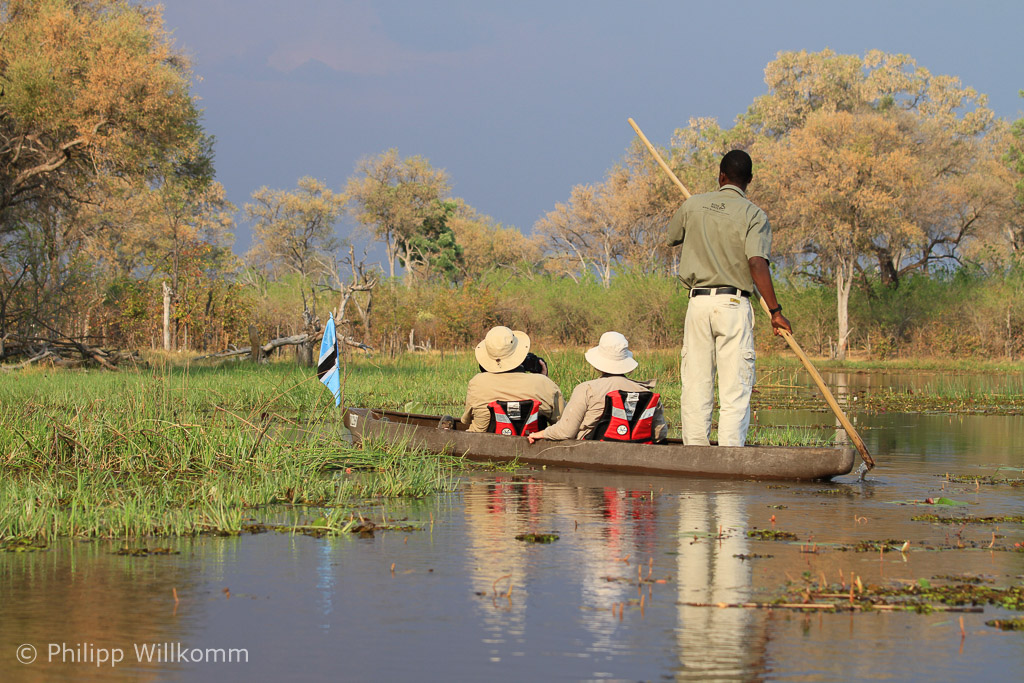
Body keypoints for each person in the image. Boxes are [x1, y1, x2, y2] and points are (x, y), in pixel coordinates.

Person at [666, 149, 792, 447]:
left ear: (721, 176)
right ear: (748, 180)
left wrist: (695, 215)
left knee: (696, 383)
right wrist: (775, 311)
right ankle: (729, 455)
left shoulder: (693, 205)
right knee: (734, 386)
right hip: (733, 305)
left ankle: (695, 451)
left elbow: (672, 236)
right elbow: (757, 263)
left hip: (698, 304)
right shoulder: (753, 215)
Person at [527, 331, 667, 443]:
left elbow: (565, 432)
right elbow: (659, 435)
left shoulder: (587, 389)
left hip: (592, 447)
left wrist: (541, 433)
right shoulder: (646, 392)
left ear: (597, 364)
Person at [462, 326, 564, 434]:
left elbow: (466, 420)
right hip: (533, 445)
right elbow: (563, 422)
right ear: (520, 354)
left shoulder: (477, 382)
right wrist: (544, 379)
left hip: (482, 445)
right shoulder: (543, 383)